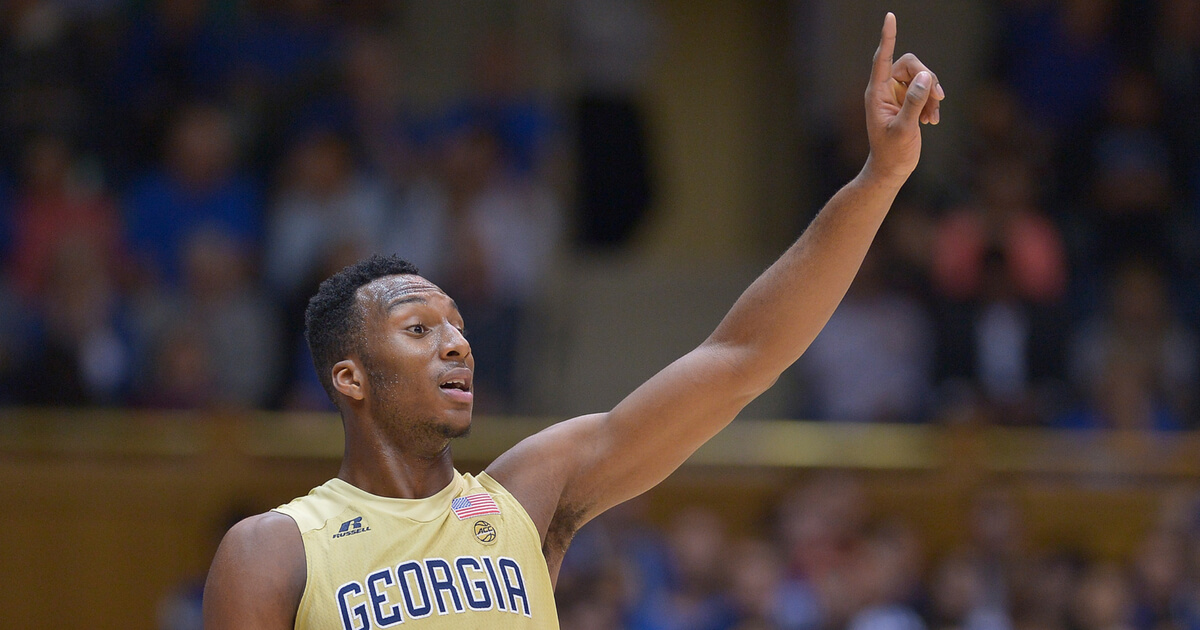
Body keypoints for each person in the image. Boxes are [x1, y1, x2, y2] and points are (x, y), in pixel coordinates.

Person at [202, 13, 944, 628]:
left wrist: (880, 179)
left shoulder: (528, 494)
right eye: (419, 329)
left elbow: (742, 357)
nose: (456, 342)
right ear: (350, 376)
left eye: (457, 324)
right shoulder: (275, 550)